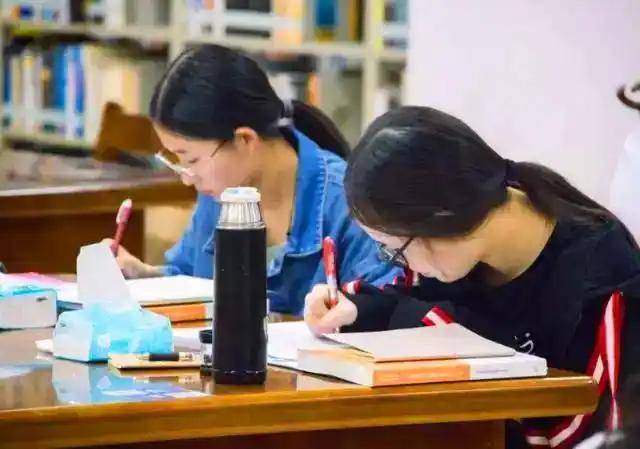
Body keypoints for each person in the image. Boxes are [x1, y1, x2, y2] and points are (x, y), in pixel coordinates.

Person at [304, 106, 640, 448]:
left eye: (395, 249)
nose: (401, 264)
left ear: (440, 217)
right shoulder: (460, 251)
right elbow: (416, 304)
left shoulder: (600, 283)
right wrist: (357, 311)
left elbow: (590, 428)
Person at [106, 44, 400, 315]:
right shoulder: (221, 191)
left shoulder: (348, 206)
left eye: (192, 160)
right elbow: (188, 278)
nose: (187, 179)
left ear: (245, 139)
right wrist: (144, 275)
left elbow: (383, 312)